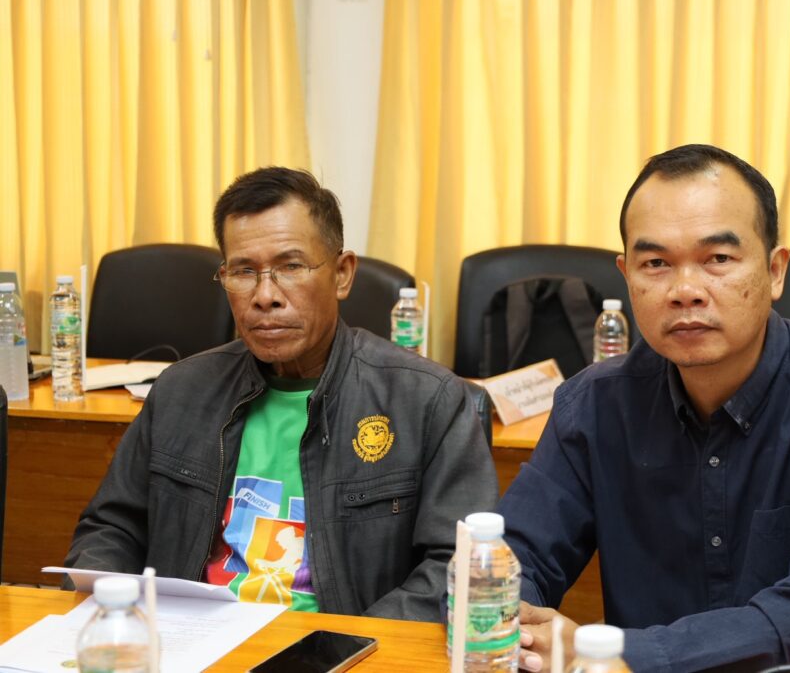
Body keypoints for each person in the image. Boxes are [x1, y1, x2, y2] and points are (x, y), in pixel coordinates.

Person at [498, 144, 790, 671]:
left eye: (718, 259)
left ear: (775, 270)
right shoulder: (593, 406)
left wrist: (619, 654)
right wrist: (510, 621)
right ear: (626, 276)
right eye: (656, 263)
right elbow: (510, 560)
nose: (685, 291)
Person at [65, 167, 498, 620]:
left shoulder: (426, 400)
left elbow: (458, 566)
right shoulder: (181, 391)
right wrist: (111, 615)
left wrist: (349, 645)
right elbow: (112, 527)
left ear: (343, 274)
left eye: (291, 267)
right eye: (243, 271)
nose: (265, 295)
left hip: (344, 647)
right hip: (189, 642)